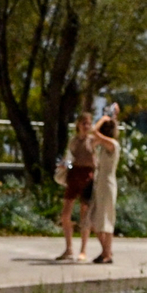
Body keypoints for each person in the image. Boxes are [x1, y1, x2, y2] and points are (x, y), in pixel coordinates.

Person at [57, 109, 102, 262]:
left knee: (85, 215)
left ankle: (83, 250)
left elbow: (100, 139)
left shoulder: (92, 140)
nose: (86, 126)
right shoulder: (73, 141)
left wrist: (95, 129)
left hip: (87, 177)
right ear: (78, 124)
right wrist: (65, 165)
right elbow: (69, 158)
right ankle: (69, 248)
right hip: (73, 175)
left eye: (88, 123)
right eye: (84, 123)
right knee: (65, 215)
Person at [86, 113, 120, 264]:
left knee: (104, 219)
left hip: (107, 184)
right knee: (97, 219)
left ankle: (107, 253)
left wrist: (102, 120)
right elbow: (91, 142)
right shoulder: (103, 145)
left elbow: (93, 131)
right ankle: (106, 251)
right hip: (100, 184)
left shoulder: (112, 144)